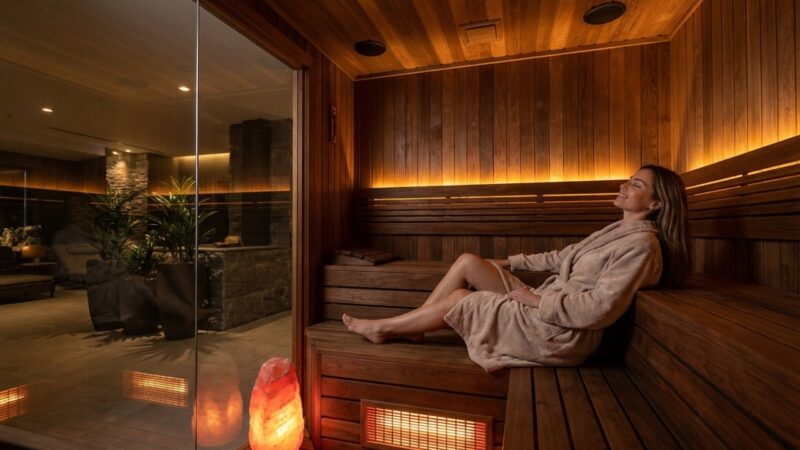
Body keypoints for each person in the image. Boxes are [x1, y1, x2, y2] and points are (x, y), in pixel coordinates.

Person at [343, 165, 690, 371]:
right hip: (546, 306)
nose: (624, 186)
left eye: (636, 185)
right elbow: (561, 257)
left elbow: (601, 308)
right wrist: (509, 262)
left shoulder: (641, 247)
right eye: (629, 180)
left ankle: (385, 328)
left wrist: (538, 302)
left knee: (461, 298)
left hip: (559, 332)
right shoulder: (618, 232)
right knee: (468, 262)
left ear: (657, 203)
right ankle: (416, 324)